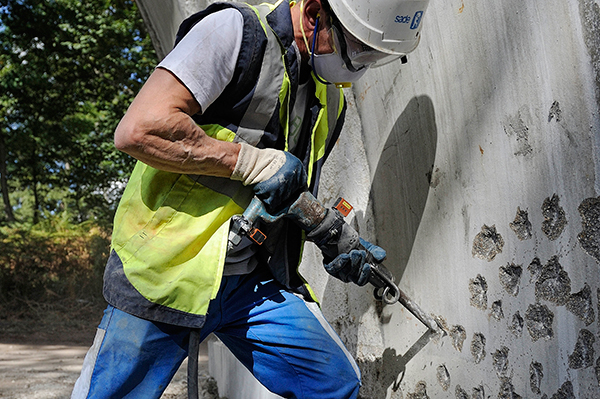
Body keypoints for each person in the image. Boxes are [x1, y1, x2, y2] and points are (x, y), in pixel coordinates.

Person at [71, 0, 428, 398]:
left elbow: (284, 188)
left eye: (377, 59)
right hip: (167, 272)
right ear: (313, 14)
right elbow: (139, 130)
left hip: (252, 284)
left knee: (333, 385)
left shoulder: (331, 100)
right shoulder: (234, 33)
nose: (359, 68)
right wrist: (246, 160)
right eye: (359, 50)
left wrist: (330, 233)